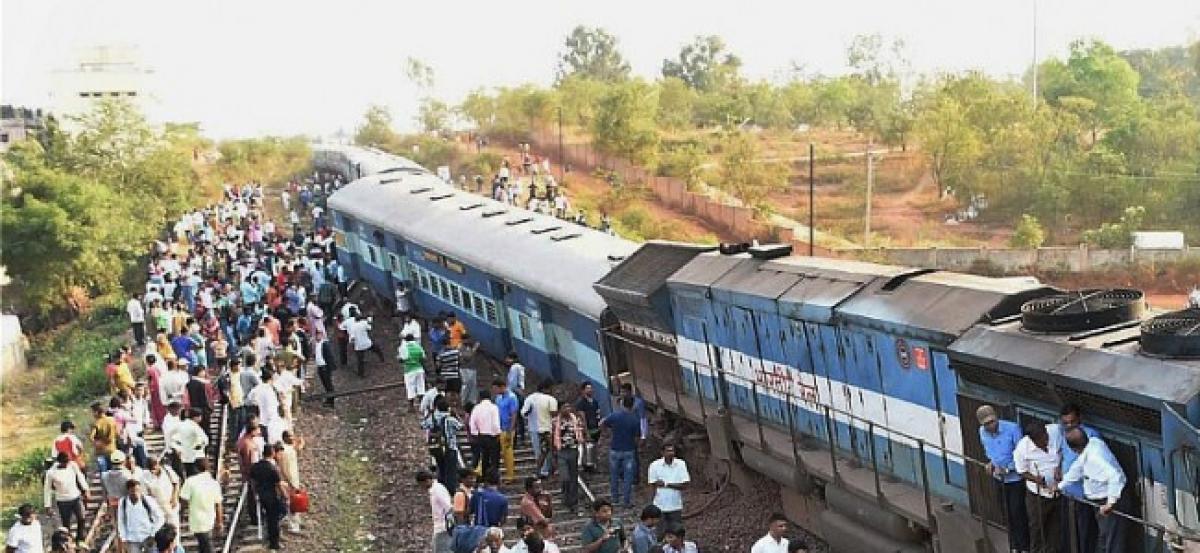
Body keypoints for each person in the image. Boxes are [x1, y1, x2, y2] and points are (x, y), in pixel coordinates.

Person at [1057, 427, 1127, 553]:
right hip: (1099, 501)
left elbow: (1115, 476)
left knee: (1111, 541)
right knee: (1104, 538)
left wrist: (1110, 503)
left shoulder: (1094, 458)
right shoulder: (1092, 444)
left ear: (1073, 449)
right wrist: (1060, 486)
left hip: (1108, 501)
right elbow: (1077, 468)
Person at [977, 405, 1029, 553]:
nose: (991, 426)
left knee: (1017, 512)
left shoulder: (1012, 429)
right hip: (998, 479)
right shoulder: (982, 433)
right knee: (1006, 512)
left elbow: (1021, 455)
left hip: (1015, 479)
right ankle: (1014, 545)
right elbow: (990, 452)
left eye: (992, 421)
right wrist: (991, 464)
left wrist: (1008, 468)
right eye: (986, 424)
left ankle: (1024, 547)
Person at [1050, 404, 1102, 552]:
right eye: (1066, 423)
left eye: (1073, 422)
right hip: (1067, 493)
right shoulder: (1063, 433)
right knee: (1068, 532)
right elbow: (1062, 452)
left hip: (1083, 495)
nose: (1069, 425)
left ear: (1079, 419)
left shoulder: (1091, 435)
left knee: (1085, 534)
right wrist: (1058, 467)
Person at [1013, 422, 1062, 553]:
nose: (1045, 442)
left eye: (1046, 438)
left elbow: (1063, 450)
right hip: (1038, 496)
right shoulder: (1022, 449)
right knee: (1037, 528)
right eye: (1041, 441)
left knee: (1055, 530)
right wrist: (1036, 480)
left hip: (1058, 493)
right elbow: (1021, 471)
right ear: (1033, 440)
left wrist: (1059, 467)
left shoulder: (1055, 431)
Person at [601, 397, 641, 508]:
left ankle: (615, 499)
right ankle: (626, 501)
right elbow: (637, 436)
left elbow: (603, 423)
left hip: (615, 449)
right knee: (628, 477)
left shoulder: (615, 415)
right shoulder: (635, 420)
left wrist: (607, 433)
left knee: (614, 475)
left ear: (622, 404)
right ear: (632, 405)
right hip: (629, 450)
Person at [179, 457, 224, 553]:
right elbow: (218, 504)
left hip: (197, 521)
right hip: (210, 519)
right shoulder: (213, 483)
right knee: (204, 545)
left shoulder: (190, 481)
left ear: (195, 468)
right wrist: (219, 522)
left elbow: (183, 501)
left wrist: (181, 515)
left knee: (206, 546)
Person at [43, 452, 89, 543]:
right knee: (66, 523)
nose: (66, 464)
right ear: (59, 462)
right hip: (63, 501)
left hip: (76, 497)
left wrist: (86, 489)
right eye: (64, 463)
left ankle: (80, 538)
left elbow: (80, 477)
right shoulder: (51, 472)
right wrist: (47, 505)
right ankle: (68, 541)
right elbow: (47, 489)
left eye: (67, 462)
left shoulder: (72, 465)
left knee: (82, 518)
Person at [250, 444, 286, 551]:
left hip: (261, 495)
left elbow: (252, 482)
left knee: (268, 517)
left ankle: (269, 536)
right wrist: (285, 496)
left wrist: (255, 492)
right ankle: (274, 543)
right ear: (273, 453)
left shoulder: (255, 466)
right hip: (272, 497)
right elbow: (278, 484)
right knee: (274, 519)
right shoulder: (272, 468)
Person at [648, 444, 690, 534]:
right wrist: (650, 504)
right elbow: (652, 485)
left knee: (676, 532)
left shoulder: (681, 464)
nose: (671, 453)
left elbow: (685, 485)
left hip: (675, 505)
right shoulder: (654, 465)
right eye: (668, 451)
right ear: (662, 453)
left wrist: (667, 484)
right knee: (660, 533)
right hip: (659, 505)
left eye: (672, 451)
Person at [552, 401, 585, 515]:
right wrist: (554, 451)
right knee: (565, 477)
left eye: (568, 406)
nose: (567, 408)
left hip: (573, 449)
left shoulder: (575, 419)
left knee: (573, 477)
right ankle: (565, 496)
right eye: (564, 407)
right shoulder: (555, 421)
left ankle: (573, 501)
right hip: (562, 451)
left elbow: (581, 432)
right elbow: (552, 436)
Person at [116, 480, 165, 553]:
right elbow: (121, 521)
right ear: (128, 491)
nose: (136, 493)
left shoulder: (148, 500)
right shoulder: (123, 502)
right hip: (132, 539)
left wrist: (153, 534)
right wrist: (123, 539)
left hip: (148, 536)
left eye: (138, 490)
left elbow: (160, 518)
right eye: (133, 491)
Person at [522, 381, 558, 478]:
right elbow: (554, 414)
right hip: (548, 429)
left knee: (539, 451)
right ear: (545, 389)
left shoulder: (530, 398)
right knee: (552, 451)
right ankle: (552, 470)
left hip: (534, 429)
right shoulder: (550, 399)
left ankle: (542, 471)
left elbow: (524, 413)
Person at [430, 396, 463, 493]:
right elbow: (460, 426)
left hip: (437, 447)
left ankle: (440, 486)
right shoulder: (450, 419)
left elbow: (424, 425)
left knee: (441, 467)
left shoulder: (434, 417)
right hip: (450, 447)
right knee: (451, 470)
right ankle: (450, 489)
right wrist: (456, 415)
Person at [418, 470, 454, 553]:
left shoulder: (437, 490)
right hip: (439, 526)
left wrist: (449, 525)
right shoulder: (434, 490)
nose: (422, 487)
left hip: (443, 527)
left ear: (427, 481)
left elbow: (448, 507)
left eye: (421, 484)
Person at [470, 389, 502, 483]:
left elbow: (472, 422)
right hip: (492, 436)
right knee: (494, 459)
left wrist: (475, 433)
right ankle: (494, 478)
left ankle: (484, 478)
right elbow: (496, 423)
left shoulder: (476, 408)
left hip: (481, 436)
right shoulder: (493, 407)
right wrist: (498, 433)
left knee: (484, 458)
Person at [140, 457, 181, 529]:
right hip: (157, 508)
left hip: (171, 504)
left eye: (154, 469)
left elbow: (176, 483)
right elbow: (145, 494)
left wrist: (174, 498)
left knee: (174, 528)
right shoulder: (144, 476)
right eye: (150, 469)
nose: (152, 471)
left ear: (158, 465)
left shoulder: (167, 470)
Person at [494, 380, 520, 484]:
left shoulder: (512, 397)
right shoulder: (498, 398)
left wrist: (511, 429)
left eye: (496, 388)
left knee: (507, 453)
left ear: (502, 387)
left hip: (507, 428)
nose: (495, 390)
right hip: (499, 428)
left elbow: (514, 414)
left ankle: (510, 476)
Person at [172, 408, 210, 477]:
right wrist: (200, 446)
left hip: (185, 456)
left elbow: (174, 439)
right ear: (196, 417)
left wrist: (178, 449)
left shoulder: (181, 424)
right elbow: (205, 440)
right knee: (200, 476)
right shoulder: (194, 426)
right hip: (196, 456)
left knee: (190, 476)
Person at [346, 311, 384, 377]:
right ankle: (382, 359)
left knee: (360, 361)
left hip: (359, 346)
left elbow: (352, 337)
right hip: (367, 343)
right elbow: (370, 328)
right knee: (377, 349)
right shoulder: (364, 323)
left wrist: (351, 344)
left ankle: (361, 374)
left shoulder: (353, 327)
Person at [399, 333, 427, 412]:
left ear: (406, 340)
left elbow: (402, 359)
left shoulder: (404, 347)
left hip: (409, 370)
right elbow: (424, 358)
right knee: (421, 387)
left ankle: (411, 407)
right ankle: (423, 405)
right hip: (419, 369)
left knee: (410, 388)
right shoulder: (418, 346)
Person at [90, 401, 119, 473]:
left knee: (103, 474)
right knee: (113, 472)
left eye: (93, 412)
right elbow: (117, 433)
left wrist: (98, 443)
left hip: (101, 452)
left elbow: (91, 437)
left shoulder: (97, 423)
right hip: (112, 449)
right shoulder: (112, 420)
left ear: (96, 412)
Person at [314, 332, 336, 407]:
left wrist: (330, 367)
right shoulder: (317, 344)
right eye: (317, 335)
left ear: (322, 336)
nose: (317, 337)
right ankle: (329, 399)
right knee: (325, 384)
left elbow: (329, 356)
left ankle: (331, 401)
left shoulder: (325, 344)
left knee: (328, 384)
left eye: (319, 335)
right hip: (320, 366)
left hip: (325, 367)